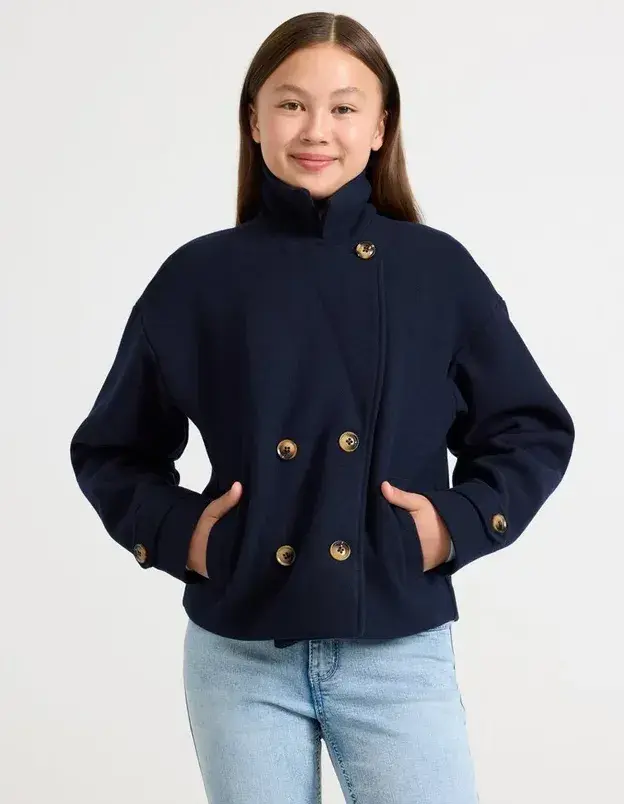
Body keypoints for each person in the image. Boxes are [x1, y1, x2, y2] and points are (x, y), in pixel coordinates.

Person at [69, 11, 575, 803]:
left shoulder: (436, 270)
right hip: (240, 652)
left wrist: (453, 525)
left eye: (343, 107)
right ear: (254, 119)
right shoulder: (197, 278)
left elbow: (529, 428)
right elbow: (112, 449)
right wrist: (182, 535)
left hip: (398, 646)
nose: (316, 130)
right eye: (291, 103)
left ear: (380, 127)